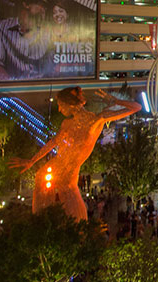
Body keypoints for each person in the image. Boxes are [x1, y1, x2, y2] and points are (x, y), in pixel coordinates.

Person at [9, 87, 141, 220]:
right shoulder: (67, 123)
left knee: (76, 217)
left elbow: (136, 107)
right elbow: (53, 142)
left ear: (70, 104)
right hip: (53, 171)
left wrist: (116, 101)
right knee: (45, 215)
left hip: (69, 178)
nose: (59, 109)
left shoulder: (96, 120)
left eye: (61, 105)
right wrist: (32, 161)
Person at [0, 0, 50, 81]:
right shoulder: (1, 27)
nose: (43, 9)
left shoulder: (47, 32)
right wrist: (10, 84)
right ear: (26, 4)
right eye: (40, 4)